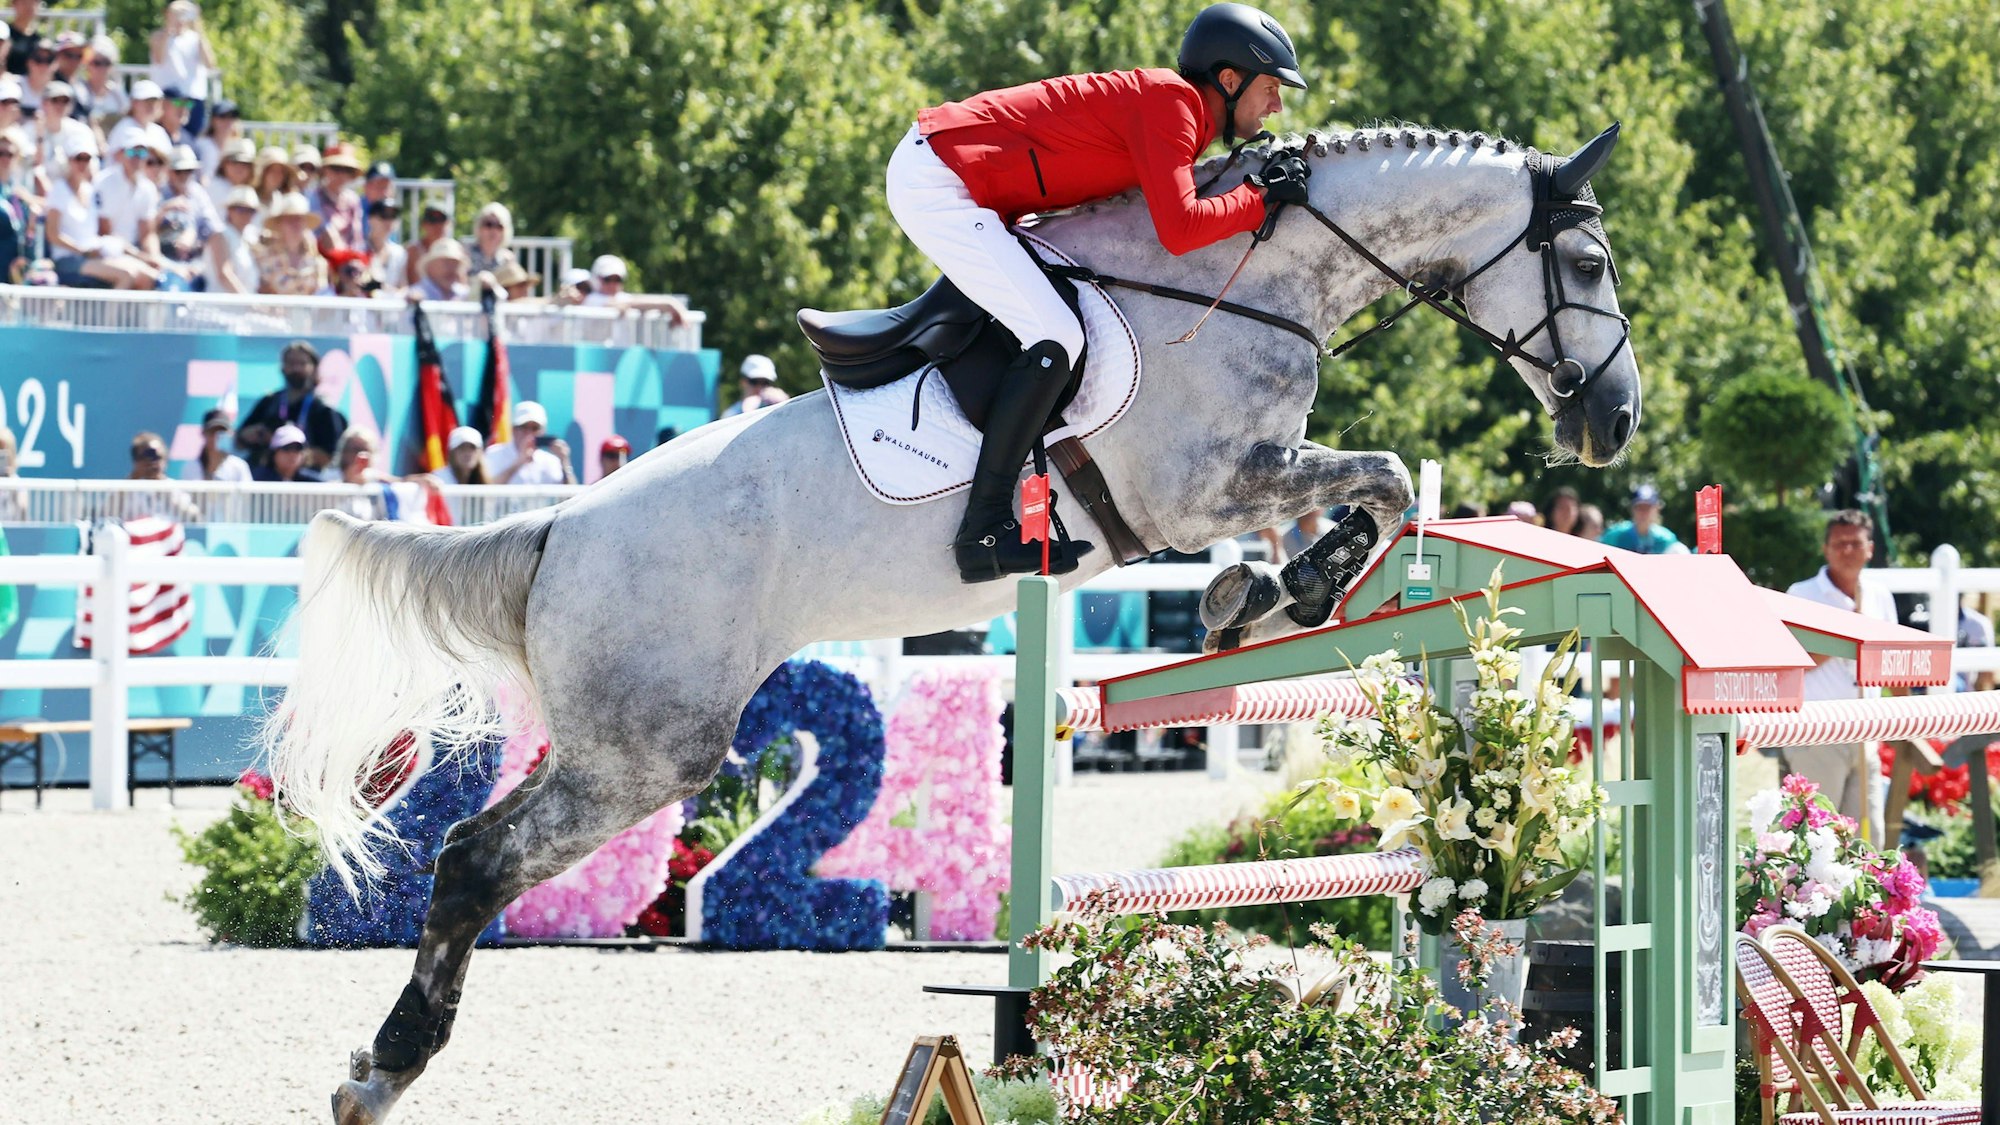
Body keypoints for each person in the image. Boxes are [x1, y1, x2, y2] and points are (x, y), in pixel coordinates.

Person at [891, 2, 1303, 581]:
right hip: (941, 182)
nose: (1278, 104)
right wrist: (1263, 199)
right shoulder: (1173, 104)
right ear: (1229, 81)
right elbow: (1181, 229)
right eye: (1271, 88)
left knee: (1059, 320)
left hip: (968, 185)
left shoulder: (1181, 115)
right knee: (1057, 333)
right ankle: (982, 530)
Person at [1780, 510, 1901, 842]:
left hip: (1866, 729)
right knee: (1818, 836)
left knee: (1867, 837)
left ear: (1870, 548)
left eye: (1855, 543)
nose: (1847, 550)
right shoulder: (1802, 594)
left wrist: (1906, 716)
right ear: (1826, 549)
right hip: (1818, 731)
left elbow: (1890, 659)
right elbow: (1793, 662)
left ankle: (1862, 896)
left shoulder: (1879, 595)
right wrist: (1846, 635)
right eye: (1839, 543)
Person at [46, 132, 157, 288]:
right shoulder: (59, 189)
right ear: (69, 161)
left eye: (87, 159)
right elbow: (52, 234)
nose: (82, 164)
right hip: (67, 259)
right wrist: (83, 252)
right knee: (126, 275)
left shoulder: (90, 190)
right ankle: (111, 314)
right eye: (78, 158)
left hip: (92, 256)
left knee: (148, 276)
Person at [236, 340, 348, 471]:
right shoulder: (270, 402)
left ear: (314, 368)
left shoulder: (324, 409)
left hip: (308, 481)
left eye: (302, 363)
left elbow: (332, 455)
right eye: (291, 363)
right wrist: (258, 434)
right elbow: (240, 438)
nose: (296, 368)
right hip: (267, 478)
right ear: (282, 367)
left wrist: (292, 453)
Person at [148, 0, 214, 137]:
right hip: (169, 99)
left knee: (191, 137)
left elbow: (210, 63)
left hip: (192, 99)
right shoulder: (159, 36)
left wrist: (198, 25)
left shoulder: (195, 38)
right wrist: (169, 26)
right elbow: (159, 59)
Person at [252, 190, 325, 295]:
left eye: (299, 219)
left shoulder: (317, 262)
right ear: (279, 224)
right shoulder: (264, 257)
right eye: (290, 219)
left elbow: (321, 296)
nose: (295, 223)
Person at [484, 400, 572, 485]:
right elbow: (487, 489)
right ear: (513, 430)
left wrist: (564, 463)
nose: (529, 433)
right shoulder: (494, 453)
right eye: (524, 427)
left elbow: (573, 496)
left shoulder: (552, 461)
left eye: (535, 428)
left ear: (543, 431)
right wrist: (519, 462)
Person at [122, 429, 200, 522]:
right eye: (144, 457)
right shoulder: (126, 490)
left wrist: (163, 488)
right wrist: (131, 480)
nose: (152, 463)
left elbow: (194, 516)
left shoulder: (175, 488)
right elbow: (105, 513)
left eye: (157, 457)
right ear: (136, 461)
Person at [1599, 484, 1686, 554]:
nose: (1643, 513)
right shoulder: (1615, 535)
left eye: (1647, 508)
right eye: (1639, 507)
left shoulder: (1666, 539)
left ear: (1657, 510)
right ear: (1632, 509)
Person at [203, 183, 258, 292]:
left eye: (250, 211)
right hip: (220, 307)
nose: (246, 214)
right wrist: (249, 302)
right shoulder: (219, 236)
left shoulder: (248, 238)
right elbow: (224, 274)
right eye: (241, 209)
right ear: (229, 210)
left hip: (243, 306)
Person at [312, 141, 364, 252]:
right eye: (336, 168)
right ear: (325, 170)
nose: (341, 174)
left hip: (347, 258)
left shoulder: (352, 200)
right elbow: (323, 231)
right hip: (320, 254)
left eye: (347, 170)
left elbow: (356, 236)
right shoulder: (315, 196)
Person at [181, 407, 251, 483]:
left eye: (222, 432)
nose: (217, 437)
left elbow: (248, 494)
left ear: (231, 434)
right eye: (212, 432)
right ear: (203, 433)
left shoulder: (239, 467)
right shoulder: (191, 467)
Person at [75, 34, 126, 125]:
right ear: (87, 65)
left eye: (106, 63)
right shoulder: (79, 91)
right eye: (97, 63)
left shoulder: (117, 93)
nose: (102, 68)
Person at [250, 422, 322, 482]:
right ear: (273, 453)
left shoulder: (312, 482)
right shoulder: (257, 479)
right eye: (287, 448)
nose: (292, 454)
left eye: (298, 448)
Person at [723, 353, 790, 416]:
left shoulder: (777, 407)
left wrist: (785, 404)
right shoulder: (731, 414)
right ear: (743, 382)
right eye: (754, 382)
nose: (759, 387)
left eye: (765, 382)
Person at [360, 198, 403, 294]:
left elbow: (402, 286)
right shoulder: (358, 248)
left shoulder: (399, 252)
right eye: (384, 215)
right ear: (370, 219)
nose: (389, 221)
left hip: (390, 305)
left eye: (393, 216)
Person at [0, 124, 26, 280]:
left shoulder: (18, 193)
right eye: (0, 153)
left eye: (9, 154)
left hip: (12, 273)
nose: (4, 158)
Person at [403, 202, 449, 286]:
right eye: (432, 221)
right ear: (423, 224)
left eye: (441, 220)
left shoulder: (455, 251)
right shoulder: (412, 251)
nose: (437, 225)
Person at [462, 200, 515, 274]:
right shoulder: (465, 254)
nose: (493, 230)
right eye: (488, 224)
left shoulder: (507, 259)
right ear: (479, 227)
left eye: (499, 226)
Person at [203, 134, 252, 213]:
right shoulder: (212, 188)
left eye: (245, 164)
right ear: (224, 164)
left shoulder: (251, 192)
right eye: (234, 162)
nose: (239, 168)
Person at [191, 95, 236, 177]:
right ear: (213, 120)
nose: (227, 121)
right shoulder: (201, 145)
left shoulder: (238, 146)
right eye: (223, 116)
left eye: (232, 116)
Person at [413, 236, 468, 301]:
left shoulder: (465, 295)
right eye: (447, 262)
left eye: (456, 264)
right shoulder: (411, 296)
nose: (452, 269)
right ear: (430, 266)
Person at [5, 0, 42, 76]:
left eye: (34, 3)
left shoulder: (38, 39)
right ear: (13, 5)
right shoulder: (4, 35)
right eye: (24, 2)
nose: (29, 7)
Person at [249, 143, 291, 209]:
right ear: (262, 173)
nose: (277, 176)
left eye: (281, 172)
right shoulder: (247, 195)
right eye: (272, 171)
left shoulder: (280, 200)